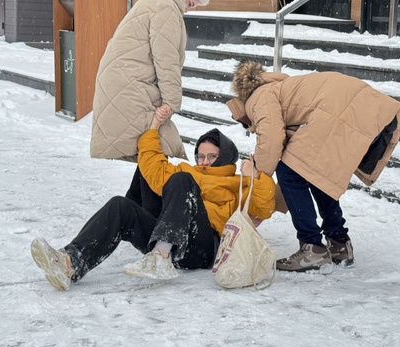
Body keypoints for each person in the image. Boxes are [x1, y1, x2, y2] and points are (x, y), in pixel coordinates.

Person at [31, 108, 276, 291]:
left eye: (211, 156)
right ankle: (69, 263)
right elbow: (151, 166)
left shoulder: (236, 182)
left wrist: (256, 176)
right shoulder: (187, 170)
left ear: (225, 158)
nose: (204, 162)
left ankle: (161, 256)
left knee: (182, 181)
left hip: (203, 248)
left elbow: (264, 208)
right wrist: (154, 125)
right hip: (173, 239)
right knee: (122, 203)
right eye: (200, 156)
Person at [226, 61, 400, 272]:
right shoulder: (279, 87)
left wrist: (259, 176)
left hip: (341, 110)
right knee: (315, 173)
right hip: (359, 107)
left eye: (248, 126)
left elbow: (272, 137)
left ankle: (312, 248)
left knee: (289, 172)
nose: (252, 130)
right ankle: (339, 243)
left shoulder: (257, 98)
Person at [90, 0, 212, 162]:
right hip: (132, 87)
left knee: (149, 154)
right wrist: (171, 102)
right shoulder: (166, 8)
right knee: (158, 152)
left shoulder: (152, 2)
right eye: (191, 2)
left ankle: (137, 195)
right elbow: (167, 60)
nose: (190, 9)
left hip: (123, 84)